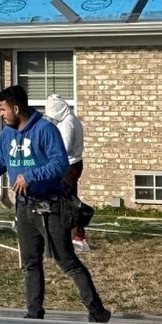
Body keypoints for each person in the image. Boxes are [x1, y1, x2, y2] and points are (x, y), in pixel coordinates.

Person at [0, 84, 111, 322]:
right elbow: (0, 162)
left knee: (67, 261)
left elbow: (60, 164)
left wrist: (31, 176)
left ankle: (97, 312)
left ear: (16, 108)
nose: (1, 114)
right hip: (23, 207)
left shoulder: (46, 130)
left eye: (3, 109)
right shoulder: (7, 135)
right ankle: (34, 313)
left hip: (50, 206)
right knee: (30, 262)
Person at [41, 93, 90, 249]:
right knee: (67, 199)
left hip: (69, 165)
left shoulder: (68, 122)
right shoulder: (68, 120)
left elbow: (65, 147)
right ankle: (72, 233)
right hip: (71, 164)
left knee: (68, 201)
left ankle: (77, 234)